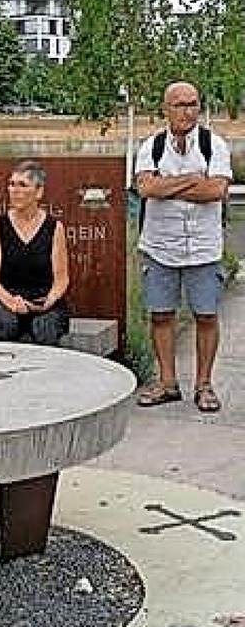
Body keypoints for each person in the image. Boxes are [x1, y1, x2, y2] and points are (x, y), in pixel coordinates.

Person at [135, 80, 232, 412]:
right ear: (166, 109)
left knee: (206, 316)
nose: (188, 111)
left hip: (204, 248)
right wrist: (193, 180)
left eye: (193, 104)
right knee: (161, 315)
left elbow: (216, 190)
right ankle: (167, 382)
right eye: (180, 104)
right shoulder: (151, 146)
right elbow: (146, 188)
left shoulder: (213, 145)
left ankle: (204, 385)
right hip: (160, 246)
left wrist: (168, 186)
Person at [0, 160, 69, 345]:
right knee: (5, 324)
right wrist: (10, 301)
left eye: (22, 185)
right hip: (9, 300)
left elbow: (62, 279)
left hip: (45, 302)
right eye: (11, 184)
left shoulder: (54, 228)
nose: (15, 190)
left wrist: (49, 301)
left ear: (39, 192)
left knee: (45, 328)